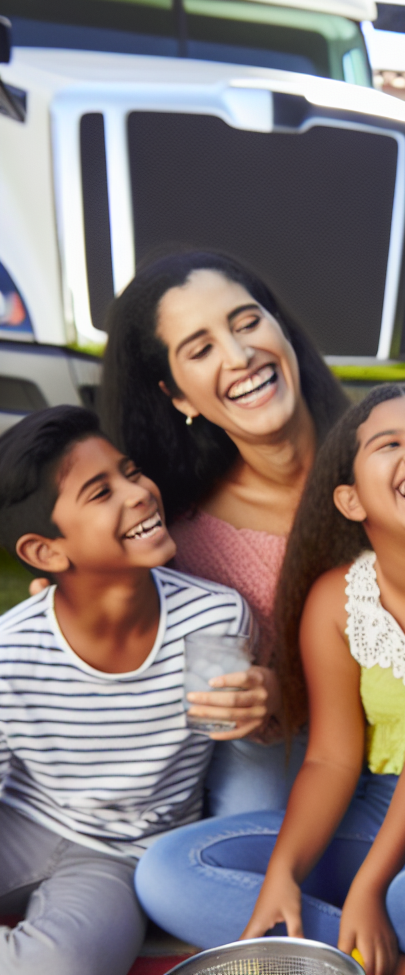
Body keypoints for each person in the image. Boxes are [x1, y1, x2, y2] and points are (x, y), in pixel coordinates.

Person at [134, 385, 405, 975]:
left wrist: (369, 886)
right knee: (167, 873)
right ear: (350, 500)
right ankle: (399, 961)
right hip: (375, 814)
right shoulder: (336, 601)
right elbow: (332, 761)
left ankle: (338, 940)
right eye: (389, 444)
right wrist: (283, 875)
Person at [0, 407, 255, 975]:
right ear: (47, 553)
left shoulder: (213, 618)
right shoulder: (11, 652)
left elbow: (219, 731)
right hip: (20, 822)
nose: (138, 493)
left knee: (65, 966)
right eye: (100, 492)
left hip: (122, 855)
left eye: (131, 472)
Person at [99, 251, 349, 815]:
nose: (239, 356)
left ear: (280, 328)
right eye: (202, 349)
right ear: (178, 395)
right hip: (285, 759)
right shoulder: (181, 542)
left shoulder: (397, 453)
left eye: (246, 323)